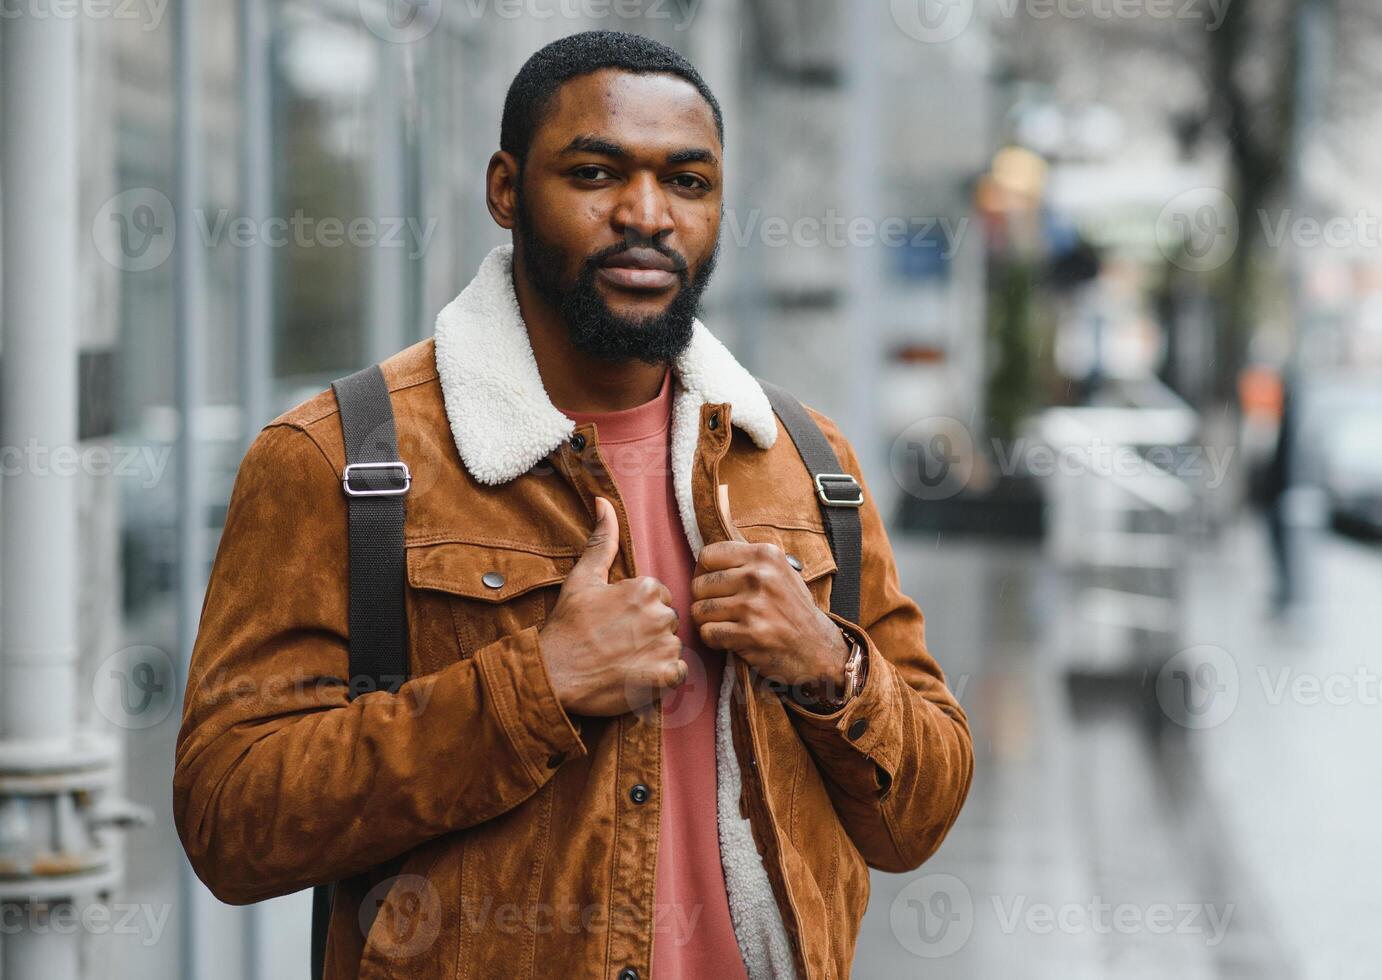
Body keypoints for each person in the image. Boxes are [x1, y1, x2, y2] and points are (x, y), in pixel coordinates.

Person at [173, 31, 972, 980]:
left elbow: (919, 812)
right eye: (596, 173)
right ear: (506, 190)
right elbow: (232, 818)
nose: (647, 215)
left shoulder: (801, 461)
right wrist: (533, 688)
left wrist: (827, 665)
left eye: (688, 181)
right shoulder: (340, 461)